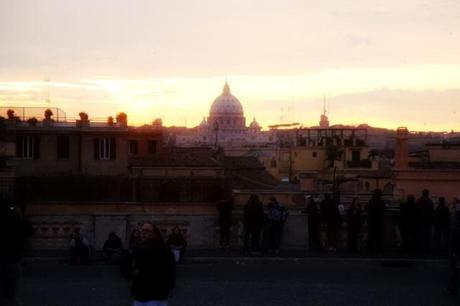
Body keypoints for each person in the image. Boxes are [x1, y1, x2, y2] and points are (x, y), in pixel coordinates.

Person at [121, 222, 175, 306]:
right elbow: (125, 263)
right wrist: (130, 274)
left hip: (157, 292)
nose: (143, 232)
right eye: (142, 230)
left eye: (147, 230)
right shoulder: (136, 248)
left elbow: (171, 270)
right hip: (140, 292)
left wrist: (171, 286)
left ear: (155, 234)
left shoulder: (164, 251)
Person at [0, 201, 34, 306]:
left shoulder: (3, 223)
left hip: (2, 260)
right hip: (14, 260)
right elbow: (30, 231)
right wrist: (21, 217)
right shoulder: (21, 224)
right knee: (14, 290)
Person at [367, 189, 386, 253]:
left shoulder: (371, 201)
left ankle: (371, 248)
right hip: (379, 221)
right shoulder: (382, 202)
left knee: (371, 235)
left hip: (372, 221)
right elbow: (384, 210)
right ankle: (379, 248)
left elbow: (368, 209)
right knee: (379, 235)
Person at [447, 211, 460, 296]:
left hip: (456, 253)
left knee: (455, 272)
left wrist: (452, 253)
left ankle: (453, 288)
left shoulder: (456, 228)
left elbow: (453, 242)